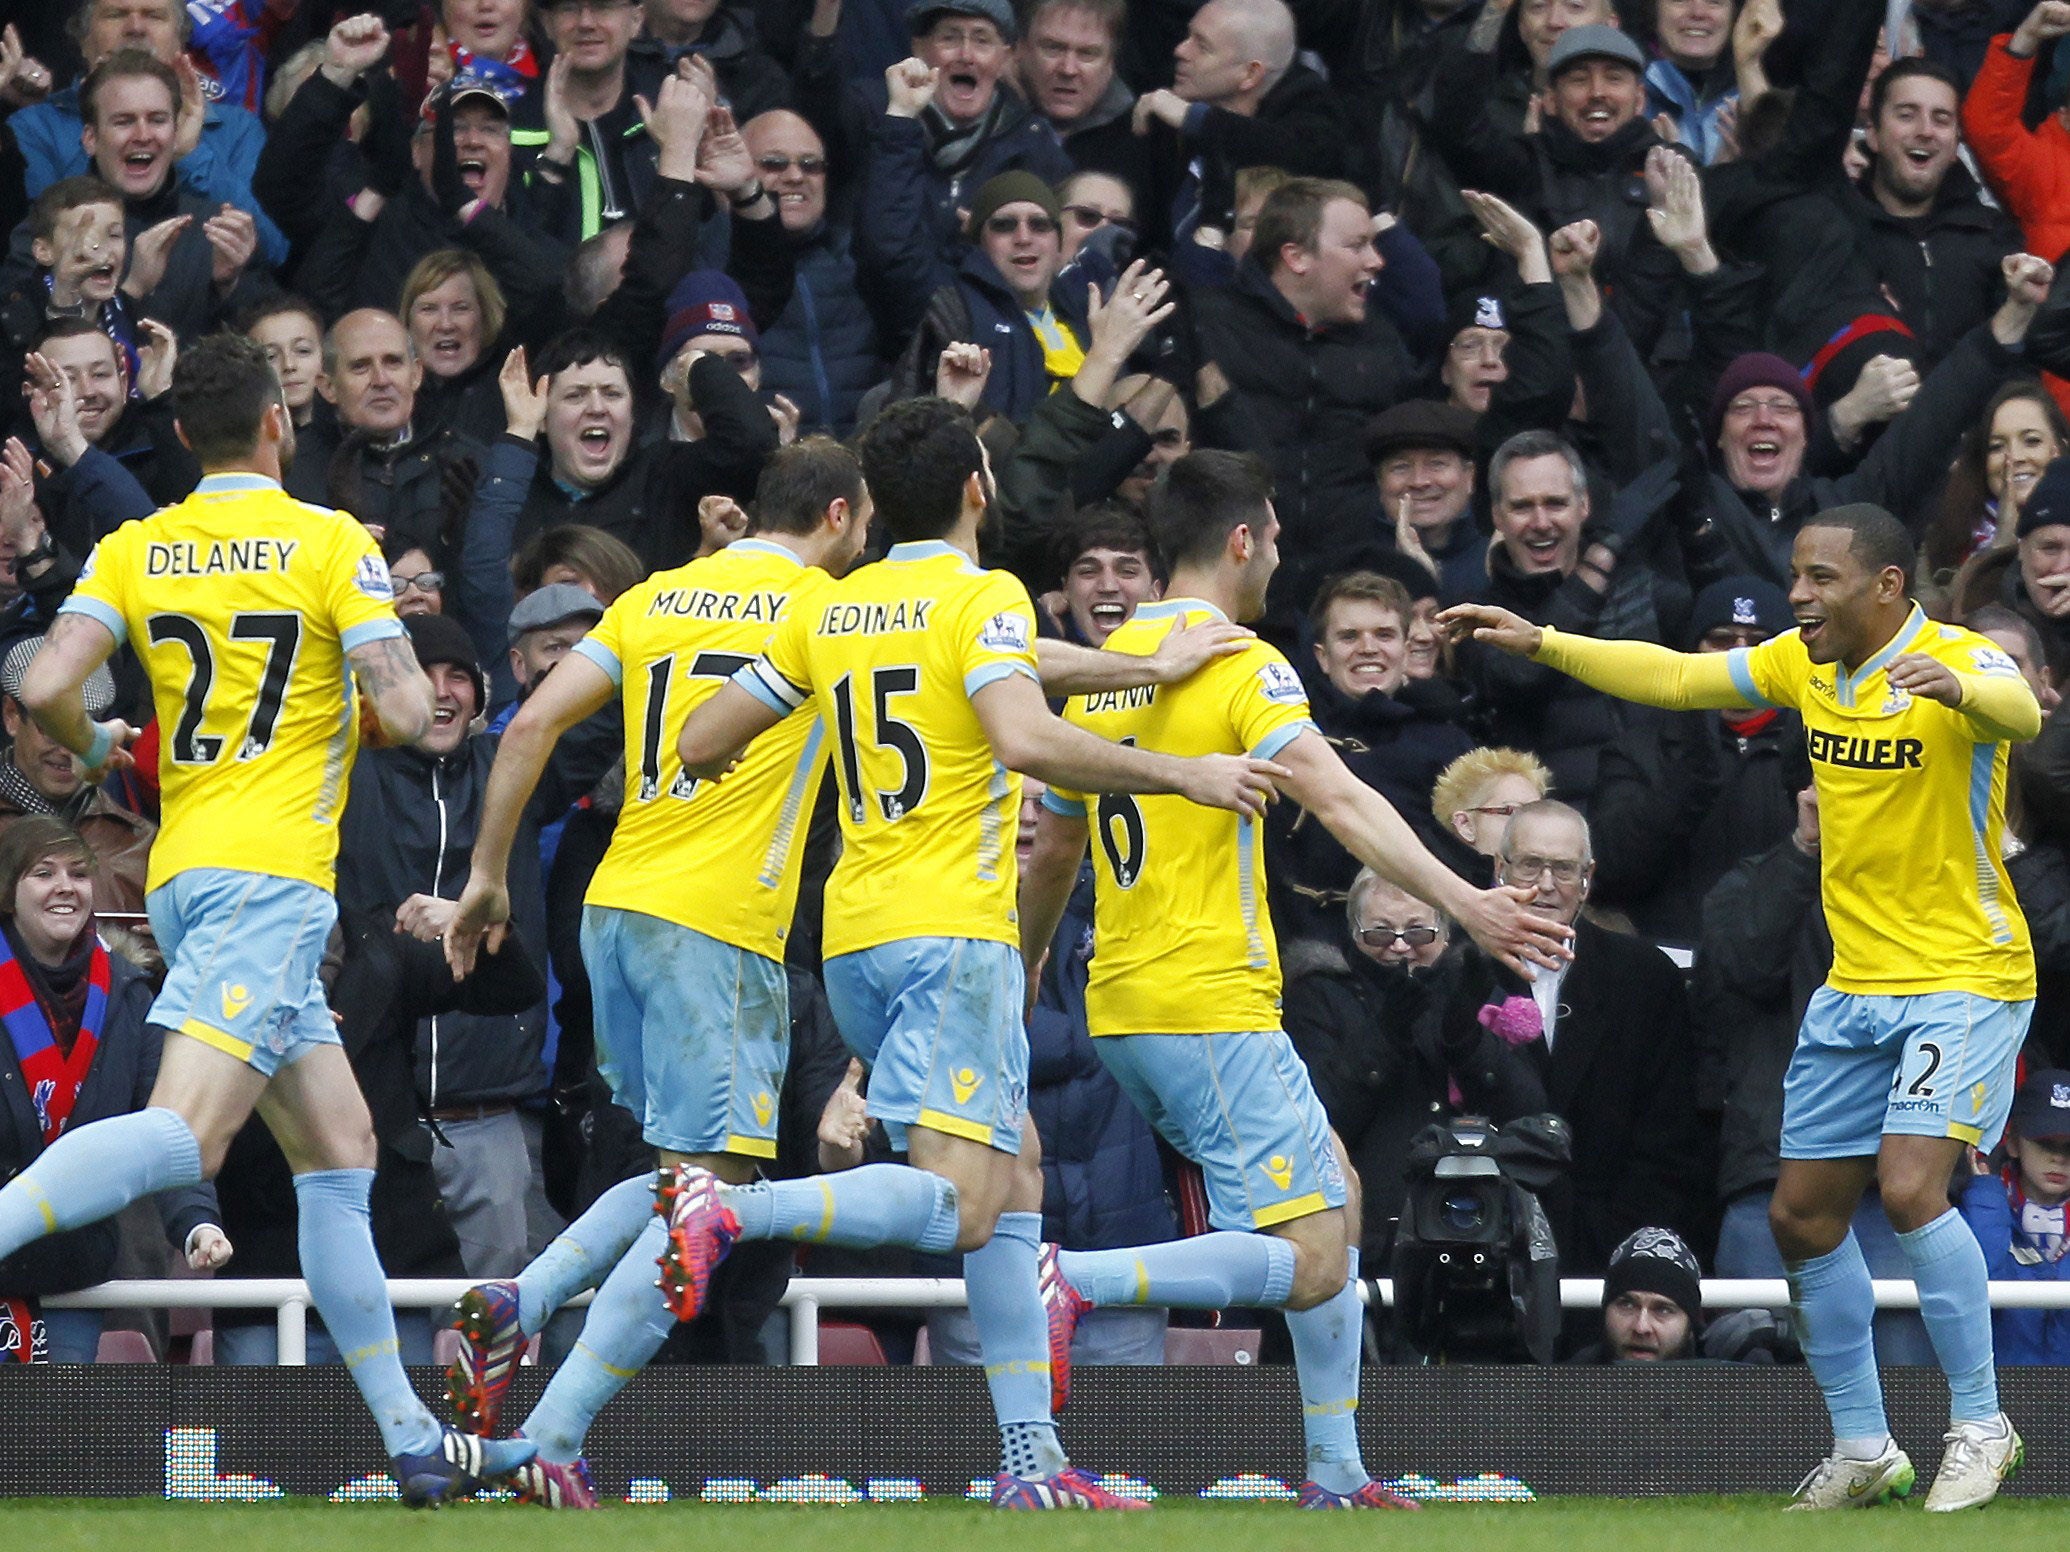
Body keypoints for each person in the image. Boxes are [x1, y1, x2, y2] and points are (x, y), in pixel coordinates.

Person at [670, 398, 1287, 1509]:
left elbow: (702, 737)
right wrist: (1182, 771)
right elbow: (1018, 732)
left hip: (852, 934)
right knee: (957, 1205)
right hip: (950, 932)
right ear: (977, 491)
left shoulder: (841, 606)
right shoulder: (986, 594)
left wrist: (1122, 670)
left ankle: (1030, 1460)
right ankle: (731, 1213)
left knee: (1016, 1184)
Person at [0, 332, 533, 1499]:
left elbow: (41, 683)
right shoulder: (332, 543)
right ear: (282, 421)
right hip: (274, 876)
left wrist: (104, 749)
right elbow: (403, 703)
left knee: (337, 1153)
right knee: (191, 1134)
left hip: (187, 871)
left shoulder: (140, 543)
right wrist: (340, 710)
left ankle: (408, 1441)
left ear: (183, 436)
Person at [1442, 501, 2039, 1511]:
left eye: (1820, 579)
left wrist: (1963, 683)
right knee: (1801, 1215)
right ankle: (1863, 1444)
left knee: (1906, 1187)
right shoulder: (1804, 667)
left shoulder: (1962, 662)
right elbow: (1675, 677)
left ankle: (1983, 1422)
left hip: (1966, 975)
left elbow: (2021, 712)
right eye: (1797, 575)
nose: (1798, 597)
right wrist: (1543, 639)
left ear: (1888, 587)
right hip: (1856, 987)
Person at [1016, 448, 1569, 1507]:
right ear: (1239, 541)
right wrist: (1472, 904)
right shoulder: (1240, 660)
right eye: (1271, 535)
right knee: (1314, 1256)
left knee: (1340, 1197)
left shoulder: (1107, 663)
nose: (1276, 553)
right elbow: (1342, 798)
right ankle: (1075, 1281)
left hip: (1127, 1000)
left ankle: (1336, 1469)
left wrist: (1031, 956)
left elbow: (1055, 849)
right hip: (1204, 996)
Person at [422, 441, 873, 1505]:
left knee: (681, 1187)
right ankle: (554, 1436)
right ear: (843, 519)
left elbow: (527, 720)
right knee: (710, 1207)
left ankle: (518, 1302)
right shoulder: (820, 609)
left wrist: (486, 875)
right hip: (714, 929)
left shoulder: (659, 597)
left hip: (615, 912)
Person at [0, 815, 226, 1364]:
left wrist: (196, 1220)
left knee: (49, 1446)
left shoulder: (127, 994)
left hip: (74, 1271)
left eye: (78, 873)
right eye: (42, 872)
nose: (64, 887)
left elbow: (166, 1121)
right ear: (9, 891)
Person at [1484, 799, 1712, 1271]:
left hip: (1606, 1246)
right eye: (1530, 865)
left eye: (1563, 869)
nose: (1546, 885)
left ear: (1587, 877)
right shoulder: (1464, 971)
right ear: (1500, 869)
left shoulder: (1644, 977)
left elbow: (1667, 1137)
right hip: (1486, 1236)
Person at [0, 635, 152, 915]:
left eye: (85, 730)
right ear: (11, 716)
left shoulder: (139, 841)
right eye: (51, 728)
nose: (68, 749)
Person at [1958, 1068, 2070, 1364]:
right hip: (1992, 1398)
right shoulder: (1983, 1205)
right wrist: (1985, 1195)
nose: (2059, 1158)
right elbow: (1977, 1285)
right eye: (2045, 1143)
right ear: (2014, 1142)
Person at [1567, 1226, 1703, 1362]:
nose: (1641, 1327)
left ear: (1690, 1325)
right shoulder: (1571, 1379)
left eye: (1663, 1310)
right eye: (1627, 1305)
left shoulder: (1717, 1380)